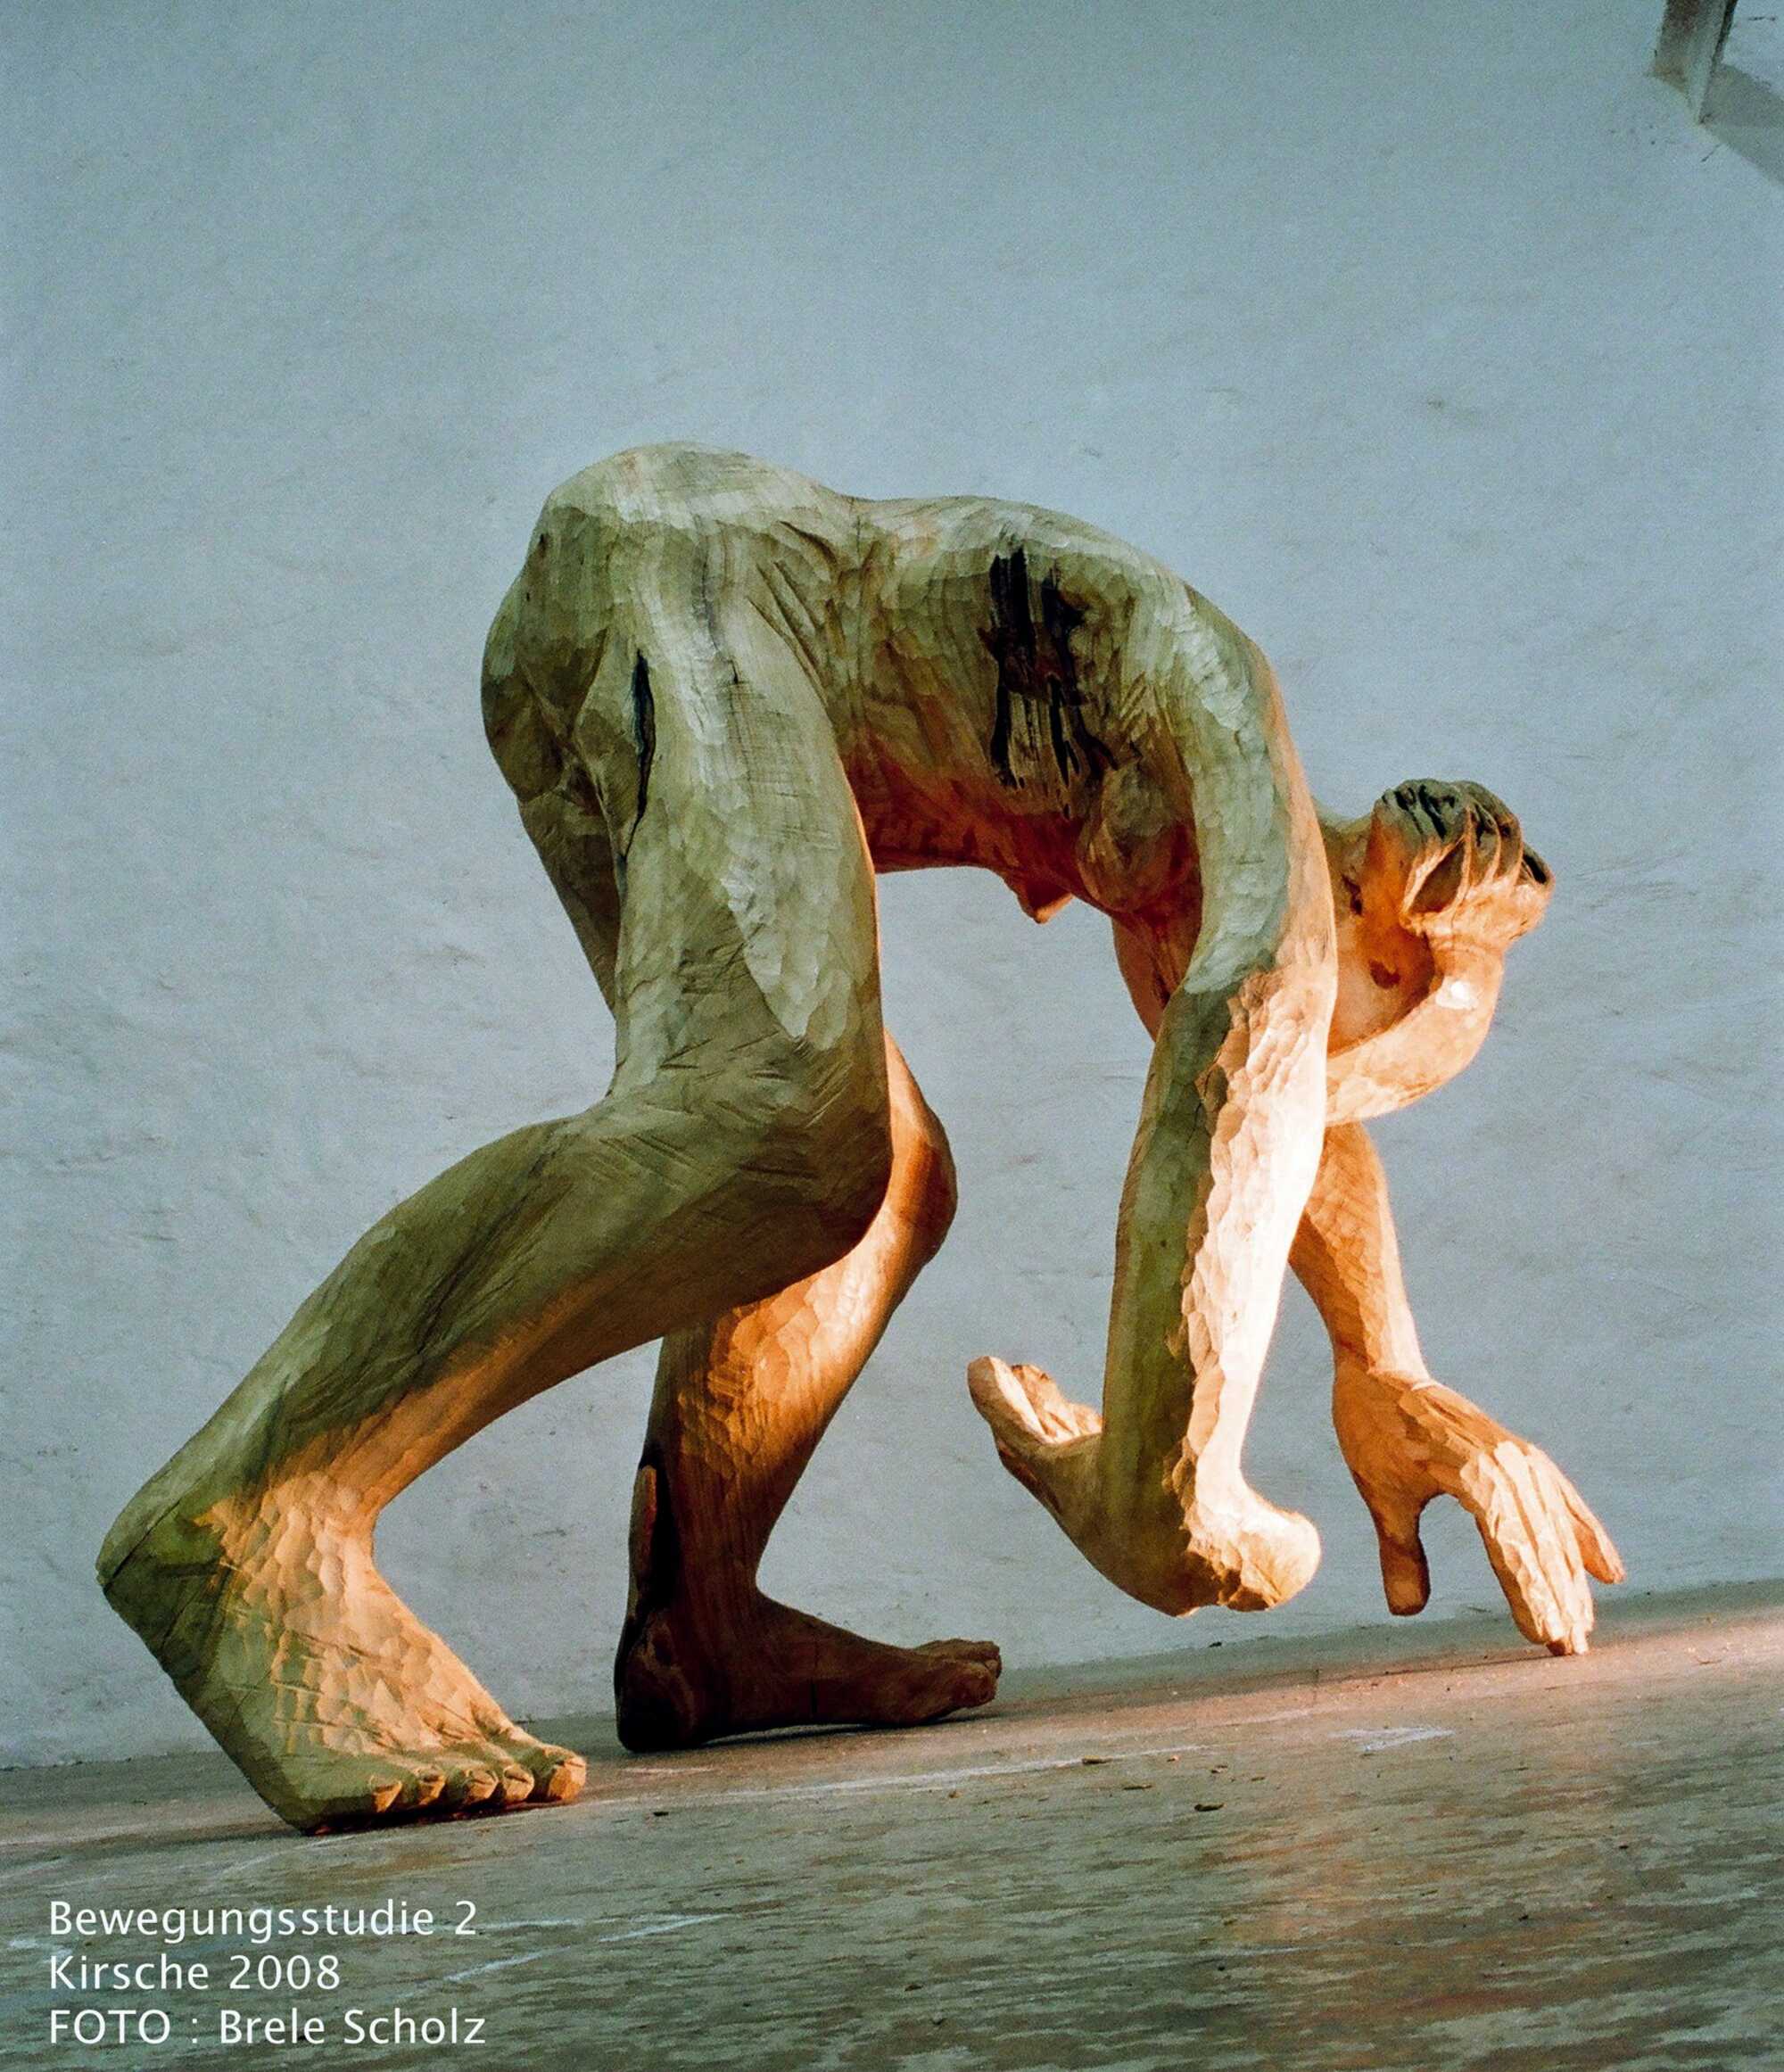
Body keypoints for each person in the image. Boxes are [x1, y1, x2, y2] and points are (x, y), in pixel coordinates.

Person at [99, 446, 1622, 1831]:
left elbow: (1276, 1098)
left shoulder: (1233, 871)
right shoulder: (1230, 725)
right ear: (1382, 936)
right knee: (775, 1116)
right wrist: (1172, 1503)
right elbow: (1254, 1039)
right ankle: (248, 1511)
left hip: (634, 604)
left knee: (875, 1176)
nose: (1309, 1085)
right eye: (1344, 1055)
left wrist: (1381, 1359)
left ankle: (703, 1627)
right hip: (695, 571)